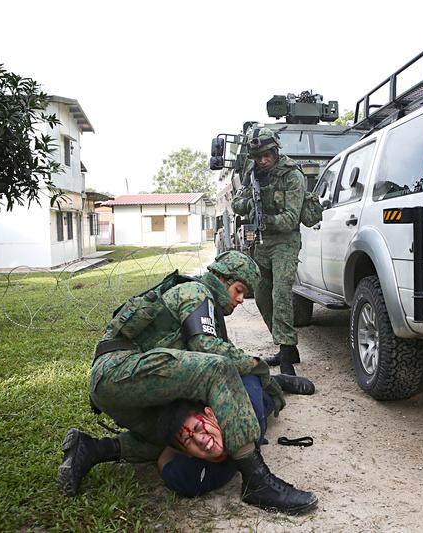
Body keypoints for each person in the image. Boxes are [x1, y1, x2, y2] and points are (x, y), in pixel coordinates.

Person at [57, 251, 317, 514]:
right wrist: (258, 366)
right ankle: (257, 481)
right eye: (238, 290)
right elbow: (207, 348)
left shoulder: (202, 299)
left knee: (178, 437)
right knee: (218, 368)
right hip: (120, 372)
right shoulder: (196, 290)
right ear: (220, 278)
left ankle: (92, 449)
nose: (240, 299)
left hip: (125, 387)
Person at [156, 370, 313, 498]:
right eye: (189, 441)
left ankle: (278, 380)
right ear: (186, 453)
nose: (201, 440)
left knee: (264, 400)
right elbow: (163, 462)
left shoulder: (244, 412)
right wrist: (178, 445)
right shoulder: (192, 479)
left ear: (211, 414)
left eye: (198, 428)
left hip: (251, 395)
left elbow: (249, 375)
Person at [232, 128, 305, 376]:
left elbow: (291, 218)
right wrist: (252, 202)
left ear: (275, 151)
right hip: (261, 243)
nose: (263, 160)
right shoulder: (252, 174)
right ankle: (288, 346)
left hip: (285, 241)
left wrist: (267, 220)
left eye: (267, 155)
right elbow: (237, 204)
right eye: (258, 156)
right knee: (262, 296)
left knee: (281, 295)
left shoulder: (292, 175)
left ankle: (286, 358)